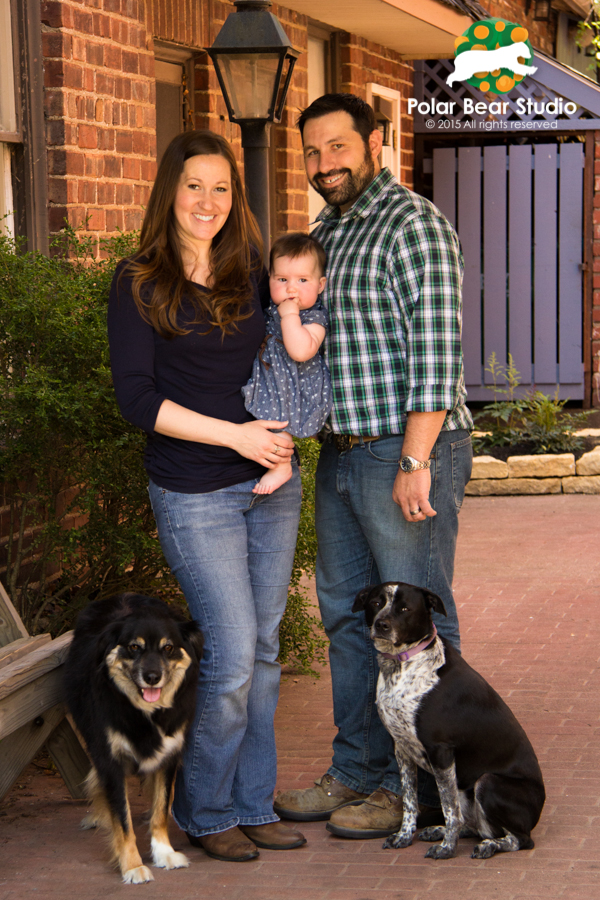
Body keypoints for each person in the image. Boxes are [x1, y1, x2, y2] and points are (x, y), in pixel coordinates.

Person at [273, 94, 473, 839]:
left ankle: (411, 788)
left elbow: (436, 349)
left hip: (408, 448)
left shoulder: (413, 224)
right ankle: (356, 770)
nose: (325, 164)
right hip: (345, 451)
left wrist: (417, 458)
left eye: (337, 147)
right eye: (313, 153)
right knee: (350, 620)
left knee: (418, 622)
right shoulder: (325, 231)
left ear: (377, 142)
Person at [108, 129, 306, 862]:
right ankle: (204, 808)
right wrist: (237, 436)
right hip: (195, 491)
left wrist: (288, 426)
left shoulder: (250, 271)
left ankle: (253, 801)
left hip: (270, 484)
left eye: (222, 187)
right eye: (195, 185)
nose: (209, 201)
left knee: (262, 649)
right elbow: (137, 399)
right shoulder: (139, 282)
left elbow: (289, 349)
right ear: (171, 190)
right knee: (226, 657)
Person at [242, 231, 332, 494]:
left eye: (303, 280)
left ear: (320, 285)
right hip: (272, 378)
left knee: (278, 419)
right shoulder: (271, 306)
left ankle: (282, 465)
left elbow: (301, 351)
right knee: (267, 416)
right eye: (282, 279)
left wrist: (290, 315)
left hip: (296, 386)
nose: (291, 288)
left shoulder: (314, 317)